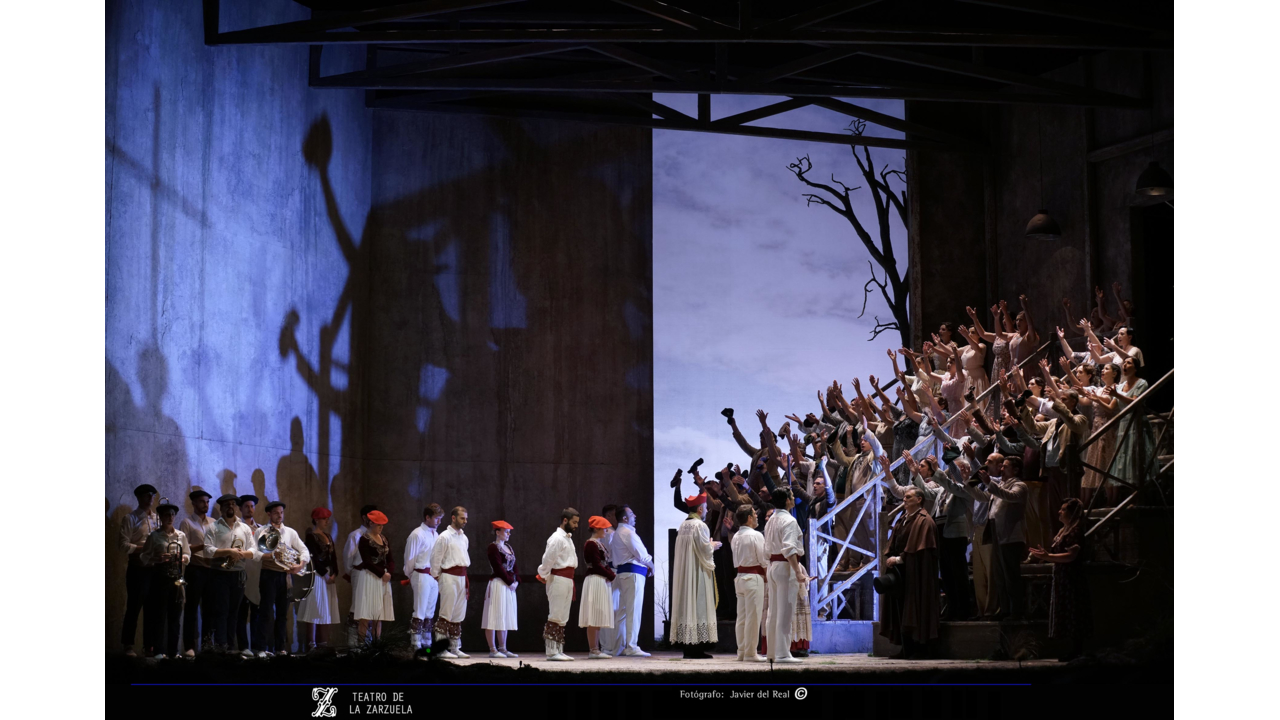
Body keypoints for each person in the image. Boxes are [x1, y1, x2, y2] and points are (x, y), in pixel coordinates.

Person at [878, 487, 940, 658]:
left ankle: (919, 649)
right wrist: (891, 557)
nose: (904, 500)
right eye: (904, 497)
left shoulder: (925, 521)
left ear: (919, 499)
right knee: (901, 608)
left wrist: (900, 559)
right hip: (902, 573)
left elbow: (921, 549)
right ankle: (905, 648)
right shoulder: (904, 518)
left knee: (916, 607)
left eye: (908, 497)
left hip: (917, 573)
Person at [1029, 498, 1093, 661]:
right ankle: (1072, 649)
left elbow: (1072, 555)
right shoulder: (1063, 530)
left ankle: (1077, 649)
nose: (1059, 511)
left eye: (1063, 509)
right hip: (1062, 576)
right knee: (1066, 610)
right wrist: (1045, 554)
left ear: (1072, 514)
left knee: (1074, 611)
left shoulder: (1075, 531)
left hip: (1072, 576)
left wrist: (1048, 556)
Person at [967, 456, 1029, 620]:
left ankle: (1016, 611)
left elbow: (1009, 496)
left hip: (1010, 536)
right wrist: (968, 483)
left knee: (1010, 576)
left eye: (1006, 467)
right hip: (996, 534)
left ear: (1015, 470)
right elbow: (982, 497)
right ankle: (1005, 610)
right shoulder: (999, 486)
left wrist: (989, 483)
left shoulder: (1019, 486)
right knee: (999, 575)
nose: (1001, 469)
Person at [202, 494, 260, 654]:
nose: (231, 506)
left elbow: (254, 551)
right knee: (221, 611)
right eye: (227, 504)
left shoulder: (245, 528)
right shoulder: (214, 527)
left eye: (233, 504)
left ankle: (230, 646)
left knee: (234, 612)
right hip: (219, 574)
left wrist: (242, 554)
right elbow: (207, 550)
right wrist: (228, 551)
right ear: (221, 508)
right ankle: (221, 647)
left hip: (238, 574)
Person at [253, 500, 310, 657]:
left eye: (281, 512)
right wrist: (271, 555)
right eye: (276, 512)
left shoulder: (290, 532)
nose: (280, 515)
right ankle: (261, 648)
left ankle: (280, 648)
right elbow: (255, 554)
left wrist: (300, 564)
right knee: (265, 612)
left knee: (283, 614)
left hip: (284, 576)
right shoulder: (261, 531)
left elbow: (304, 550)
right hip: (268, 575)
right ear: (269, 514)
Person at [139, 498, 191, 658]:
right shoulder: (154, 536)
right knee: (159, 616)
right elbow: (143, 557)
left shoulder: (180, 535)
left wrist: (183, 559)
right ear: (160, 517)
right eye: (167, 514)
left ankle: (173, 651)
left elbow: (188, 555)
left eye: (173, 514)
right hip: (160, 578)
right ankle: (159, 650)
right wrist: (158, 559)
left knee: (175, 617)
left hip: (176, 577)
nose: (170, 517)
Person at [672, 491, 721, 659]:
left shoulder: (683, 525)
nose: (707, 510)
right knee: (698, 605)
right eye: (706, 507)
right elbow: (704, 550)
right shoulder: (700, 526)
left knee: (689, 606)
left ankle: (689, 648)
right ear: (700, 509)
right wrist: (713, 545)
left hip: (686, 574)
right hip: (697, 573)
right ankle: (697, 648)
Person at [763, 488, 808, 664]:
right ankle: (782, 653)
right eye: (792, 496)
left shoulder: (771, 520)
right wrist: (798, 571)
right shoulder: (789, 521)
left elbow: (768, 547)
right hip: (784, 566)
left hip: (773, 566)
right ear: (788, 500)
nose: (793, 498)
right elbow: (789, 549)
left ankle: (773, 652)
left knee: (773, 611)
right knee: (785, 610)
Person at [119, 483, 160, 656]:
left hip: (155, 567)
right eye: (146, 495)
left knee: (152, 609)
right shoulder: (130, 518)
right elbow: (122, 545)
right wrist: (143, 548)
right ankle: (128, 645)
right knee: (134, 607)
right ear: (138, 498)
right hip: (138, 567)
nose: (150, 498)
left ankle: (149, 646)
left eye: (152, 495)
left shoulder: (158, 518)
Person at [608, 504, 654, 657]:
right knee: (633, 611)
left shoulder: (617, 533)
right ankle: (632, 646)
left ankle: (619, 646)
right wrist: (651, 566)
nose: (635, 516)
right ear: (625, 518)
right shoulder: (627, 532)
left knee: (622, 612)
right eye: (632, 514)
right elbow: (642, 554)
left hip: (622, 574)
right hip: (632, 574)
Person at [537, 508, 579, 661]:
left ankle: (558, 649)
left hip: (567, 579)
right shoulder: (556, 538)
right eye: (574, 522)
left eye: (577, 523)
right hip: (558, 578)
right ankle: (551, 651)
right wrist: (543, 574)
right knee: (555, 613)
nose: (576, 525)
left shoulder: (568, 538)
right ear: (565, 520)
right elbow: (548, 560)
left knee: (563, 616)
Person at [429, 506, 471, 659]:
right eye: (462, 518)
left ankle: (455, 647)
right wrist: (438, 577)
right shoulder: (444, 537)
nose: (465, 521)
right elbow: (435, 559)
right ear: (453, 518)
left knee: (458, 614)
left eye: (466, 518)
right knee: (446, 612)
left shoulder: (464, 537)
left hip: (461, 577)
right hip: (448, 576)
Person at [297, 507, 341, 650]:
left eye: (327, 519)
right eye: (324, 519)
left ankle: (323, 644)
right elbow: (313, 558)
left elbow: (333, 557)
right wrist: (325, 574)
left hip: (328, 575)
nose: (327, 521)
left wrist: (334, 573)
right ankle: (311, 643)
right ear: (316, 520)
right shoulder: (311, 536)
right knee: (315, 607)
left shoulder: (328, 536)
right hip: (317, 575)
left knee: (326, 608)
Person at [178, 489, 215, 656]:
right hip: (195, 570)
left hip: (211, 570)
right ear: (193, 503)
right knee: (192, 610)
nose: (205, 504)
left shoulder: (214, 522)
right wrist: (203, 546)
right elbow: (183, 547)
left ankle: (207, 645)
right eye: (202, 501)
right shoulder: (187, 522)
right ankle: (189, 647)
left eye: (207, 502)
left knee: (209, 610)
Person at [730, 505, 768, 662]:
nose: (757, 516)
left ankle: (742, 651)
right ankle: (751, 653)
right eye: (755, 513)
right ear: (749, 518)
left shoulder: (736, 536)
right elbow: (763, 560)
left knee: (742, 617)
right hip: (753, 577)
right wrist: (768, 576)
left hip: (740, 577)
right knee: (753, 617)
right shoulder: (756, 535)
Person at [403, 504, 443, 653]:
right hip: (420, 574)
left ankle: (427, 643)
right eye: (437, 518)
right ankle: (416, 643)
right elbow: (409, 558)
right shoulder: (417, 534)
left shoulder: (436, 535)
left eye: (440, 518)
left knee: (430, 611)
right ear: (427, 517)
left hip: (433, 576)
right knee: (419, 609)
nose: (439, 521)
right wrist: (411, 574)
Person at [352, 510, 394, 644]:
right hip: (370, 577)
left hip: (383, 578)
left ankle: (377, 644)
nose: (381, 527)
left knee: (378, 614)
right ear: (370, 523)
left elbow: (390, 559)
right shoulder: (364, 539)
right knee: (366, 613)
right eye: (378, 525)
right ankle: (362, 645)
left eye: (382, 525)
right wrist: (382, 574)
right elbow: (367, 561)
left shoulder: (384, 538)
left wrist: (389, 573)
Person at [580, 516, 616, 659]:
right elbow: (596, 564)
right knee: (593, 614)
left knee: (598, 614)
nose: (606, 531)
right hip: (595, 580)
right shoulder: (591, 544)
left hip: (600, 580)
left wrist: (608, 574)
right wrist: (611, 575)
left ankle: (596, 648)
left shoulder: (598, 544)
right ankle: (593, 649)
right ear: (596, 528)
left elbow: (602, 564)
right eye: (604, 528)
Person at [482, 520, 519, 658]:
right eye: (506, 531)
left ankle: (503, 647)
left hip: (508, 586)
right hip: (498, 583)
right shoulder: (493, 547)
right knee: (493, 615)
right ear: (498, 532)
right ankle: (493, 649)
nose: (508, 534)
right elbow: (498, 567)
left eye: (509, 531)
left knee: (504, 615)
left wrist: (516, 581)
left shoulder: (509, 547)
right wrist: (510, 581)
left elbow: (514, 567)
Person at [342, 504, 377, 646]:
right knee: (357, 607)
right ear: (364, 517)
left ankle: (367, 642)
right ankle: (353, 644)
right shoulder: (356, 535)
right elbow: (348, 558)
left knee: (370, 608)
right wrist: (353, 573)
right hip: (359, 573)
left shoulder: (377, 536)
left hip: (373, 576)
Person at [234, 494, 261, 653]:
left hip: (257, 576)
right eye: (246, 507)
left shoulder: (261, 528)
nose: (250, 509)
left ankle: (258, 647)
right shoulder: (238, 527)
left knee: (257, 615)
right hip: (242, 574)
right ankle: (244, 646)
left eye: (252, 506)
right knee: (241, 615)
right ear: (241, 508)